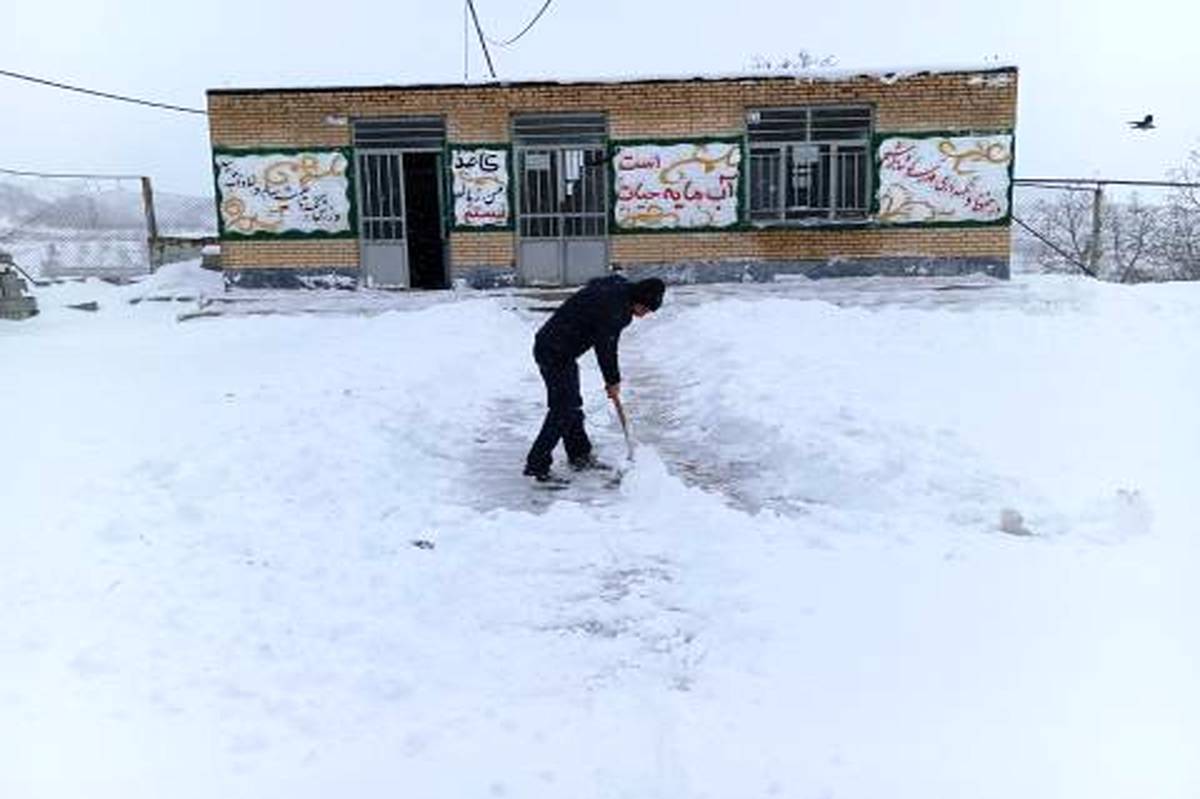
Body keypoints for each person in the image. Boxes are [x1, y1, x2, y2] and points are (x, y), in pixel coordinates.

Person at [523, 274, 665, 483]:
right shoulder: (617, 310)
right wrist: (612, 381)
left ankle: (579, 455)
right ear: (638, 299)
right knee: (563, 409)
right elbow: (606, 347)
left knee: (571, 405)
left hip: (559, 348)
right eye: (644, 309)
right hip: (554, 351)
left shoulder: (618, 286)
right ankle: (537, 464)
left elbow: (598, 281)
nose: (643, 315)